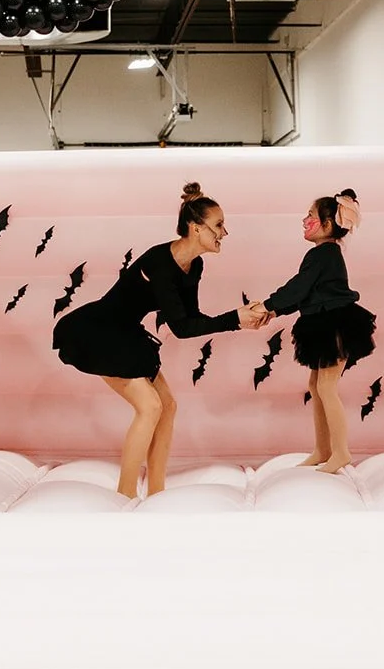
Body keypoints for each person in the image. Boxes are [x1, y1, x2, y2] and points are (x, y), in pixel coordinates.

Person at [52, 182, 262, 499]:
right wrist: (236, 319)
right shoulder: (159, 262)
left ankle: (156, 492)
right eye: (219, 225)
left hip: (126, 334)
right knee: (150, 407)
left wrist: (238, 320)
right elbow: (181, 327)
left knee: (168, 407)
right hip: (99, 332)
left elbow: (191, 319)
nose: (225, 232)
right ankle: (124, 495)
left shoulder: (194, 264)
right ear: (195, 227)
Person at [249, 188, 375, 475]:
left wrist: (268, 305)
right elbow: (306, 295)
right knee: (317, 385)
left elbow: (299, 287)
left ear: (327, 224)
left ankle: (340, 452)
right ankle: (323, 449)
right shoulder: (325, 254)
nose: (305, 220)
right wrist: (273, 311)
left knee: (326, 387)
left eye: (310, 215)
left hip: (334, 324)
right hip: (324, 322)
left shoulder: (322, 255)